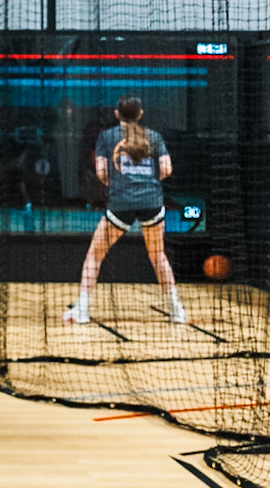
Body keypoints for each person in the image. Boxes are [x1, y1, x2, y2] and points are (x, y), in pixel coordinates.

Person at [65, 96, 186, 325]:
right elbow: (167, 169)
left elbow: (101, 172)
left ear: (116, 114)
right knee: (158, 255)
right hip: (152, 202)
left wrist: (119, 184)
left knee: (95, 255)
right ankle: (177, 311)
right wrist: (148, 183)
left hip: (122, 203)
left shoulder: (107, 137)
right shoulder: (154, 137)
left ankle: (82, 310)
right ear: (140, 114)